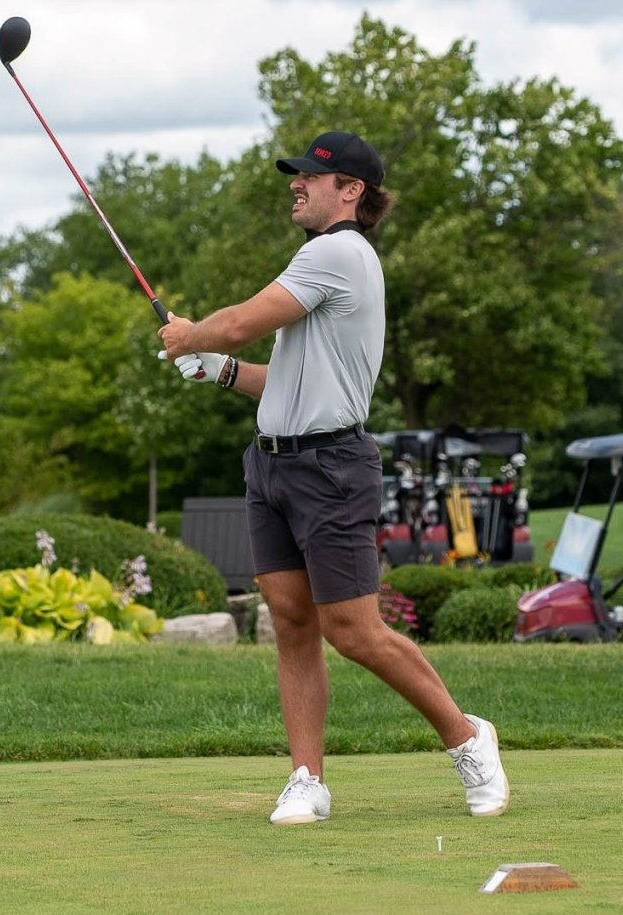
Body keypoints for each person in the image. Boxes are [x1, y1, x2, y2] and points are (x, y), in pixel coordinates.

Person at [157, 130, 508, 825]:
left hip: (331, 468)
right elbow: (281, 378)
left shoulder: (338, 252)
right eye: (297, 176)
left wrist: (196, 336)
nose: (297, 184)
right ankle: (306, 777)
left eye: (311, 177)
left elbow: (237, 326)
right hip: (274, 463)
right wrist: (219, 371)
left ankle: (468, 738)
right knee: (290, 621)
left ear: (351, 190)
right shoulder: (319, 260)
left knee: (353, 629)